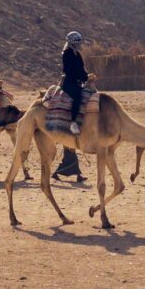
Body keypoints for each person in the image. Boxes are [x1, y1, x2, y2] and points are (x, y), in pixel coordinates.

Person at [56, 31, 90, 183]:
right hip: (69, 83)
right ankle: (74, 121)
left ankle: (66, 170)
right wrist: (81, 77)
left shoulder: (77, 54)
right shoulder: (67, 54)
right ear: (71, 42)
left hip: (76, 82)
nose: (78, 44)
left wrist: (87, 76)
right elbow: (70, 71)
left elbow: (82, 69)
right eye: (76, 41)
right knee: (77, 96)